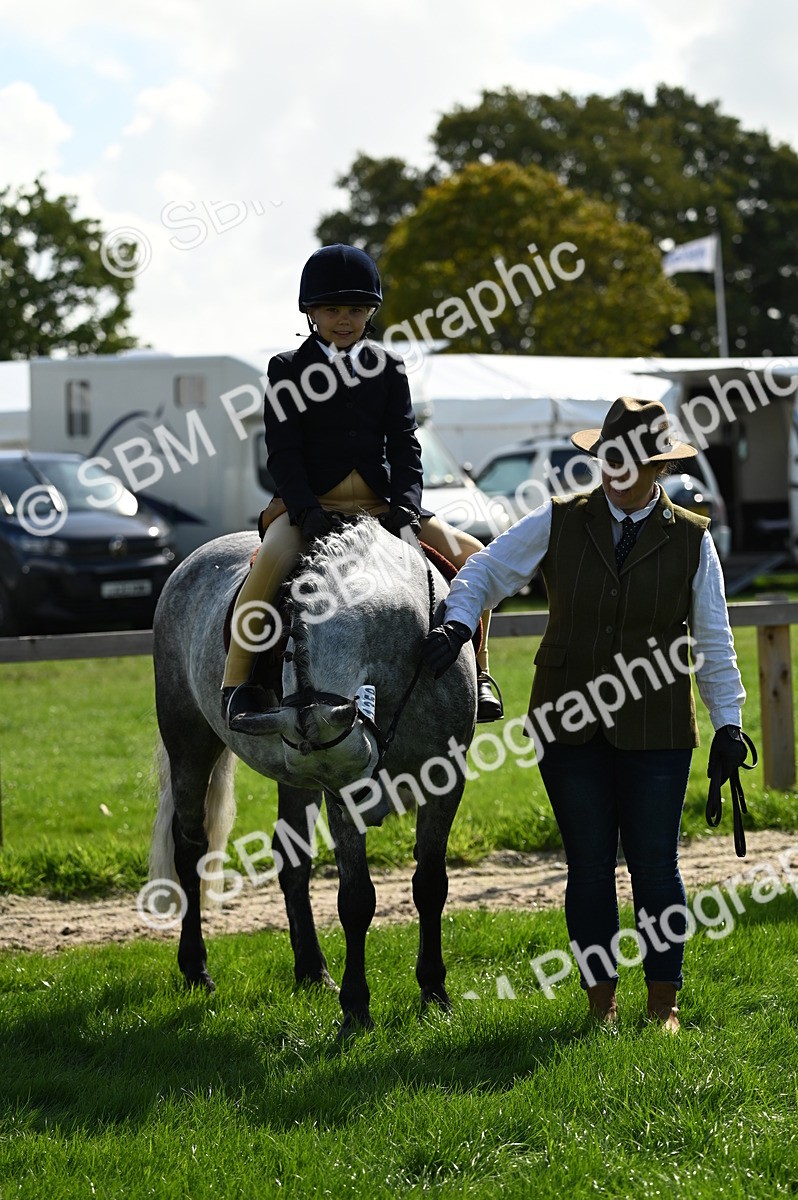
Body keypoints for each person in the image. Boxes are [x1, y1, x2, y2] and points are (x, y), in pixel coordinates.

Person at [422, 395, 754, 1031]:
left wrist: (730, 721)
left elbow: (714, 640)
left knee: (657, 865)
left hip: (657, 726)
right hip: (567, 719)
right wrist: (457, 623)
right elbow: (485, 570)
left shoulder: (691, 538)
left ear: (660, 468)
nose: (619, 474)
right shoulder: (559, 519)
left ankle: (665, 1005)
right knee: (590, 866)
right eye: (611, 460)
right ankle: (600, 1004)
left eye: (635, 464)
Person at [221, 243, 503, 731]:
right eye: (332, 309)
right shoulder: (286, 368)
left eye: (355, 309)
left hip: (380, 505)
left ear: (370, 311)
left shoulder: (390, 368)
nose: (344, 320)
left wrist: (407, 508)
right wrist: (305, 508)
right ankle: (238, 682)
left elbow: (406, 444)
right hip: (310, 505)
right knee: (268, 564)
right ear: (310, 312)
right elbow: (283, 450)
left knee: (472, 554)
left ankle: (477, 670)